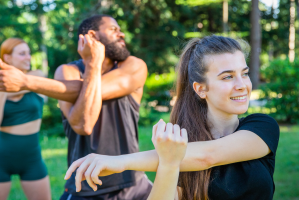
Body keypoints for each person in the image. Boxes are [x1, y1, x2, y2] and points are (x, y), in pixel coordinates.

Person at [64, 35, 280, 200]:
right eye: (228, 76)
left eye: (244, 73)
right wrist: (167, 163)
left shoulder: (262, 127)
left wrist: (121, 161)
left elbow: (208, 156)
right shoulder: (175, 148)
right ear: (201, 89)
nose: (242, 85)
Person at [0, 15, 152, 199]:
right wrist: (93, 65)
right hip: (84, 187)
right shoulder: (67, 71)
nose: (122, 35)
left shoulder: (134, 66)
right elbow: (83, 125)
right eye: (114, 29)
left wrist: (26, 82)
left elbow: (96, 89)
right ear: (92, 36)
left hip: (134, 185)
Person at [0, 38, 51, 200]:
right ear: (8, 58)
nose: (28, 57)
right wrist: (0, 92)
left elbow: (20, 87)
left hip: (32, 158)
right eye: (22, 53)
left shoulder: (37, 77)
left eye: (28, 53)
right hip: (0, 158)